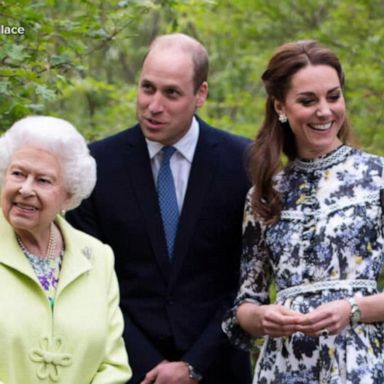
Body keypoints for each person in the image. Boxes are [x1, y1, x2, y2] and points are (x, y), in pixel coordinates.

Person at [66, 33, 252, 384]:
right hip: (126, 368)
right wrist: (148, 366)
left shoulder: (244, 163)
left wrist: (194, 364)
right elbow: (89, 280)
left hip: (219, 368)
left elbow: (248, 281)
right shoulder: (95, 166)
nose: (153, 105)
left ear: (201, 95)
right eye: (147, 88)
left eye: (171, 93)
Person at [222, 39, 384, 384]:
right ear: (281, 107)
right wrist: (263, 317)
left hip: (360, 365)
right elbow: (246, 304)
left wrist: (353, 310)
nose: (324, 111)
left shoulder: (378, 178)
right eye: (308, 101)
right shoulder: (264, 194)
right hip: (284, 368)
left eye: (333, 96)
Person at [0, 115, 131, 384]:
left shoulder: (97, 257)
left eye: (43, 181)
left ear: (69, 195)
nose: (25, 189)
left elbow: (114, 365)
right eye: (18, 174)